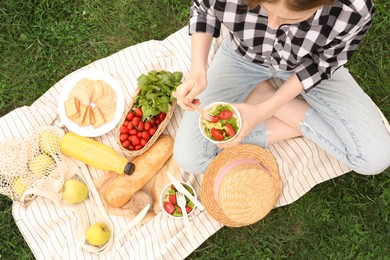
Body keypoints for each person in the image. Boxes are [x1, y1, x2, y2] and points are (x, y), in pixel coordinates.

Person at [173, 0, 390, 175]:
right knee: (191, 159)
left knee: (375, 159)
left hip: (307, 66)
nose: (274, 24)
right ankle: (279, 107)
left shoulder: (353, 8)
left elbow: (321, 65)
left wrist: (264, 110)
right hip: (242, 59)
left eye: (290, 19)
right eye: (264, 7)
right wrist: (198, 71)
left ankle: (267, 99)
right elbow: (203, 10)